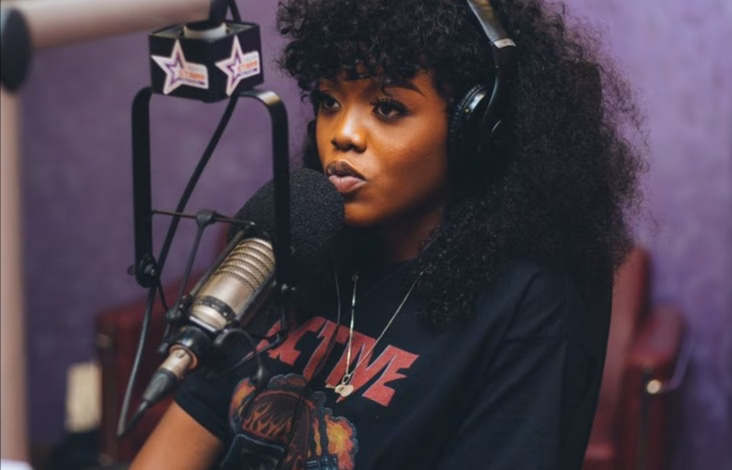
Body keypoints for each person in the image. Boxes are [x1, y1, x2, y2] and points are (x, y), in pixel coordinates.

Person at [130, 0, 645, 468]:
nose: (342, 134)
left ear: (474, 130)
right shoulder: (296, 247)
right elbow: (175, 448)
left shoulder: (528, 305)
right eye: (329, 101)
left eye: (387, 108)